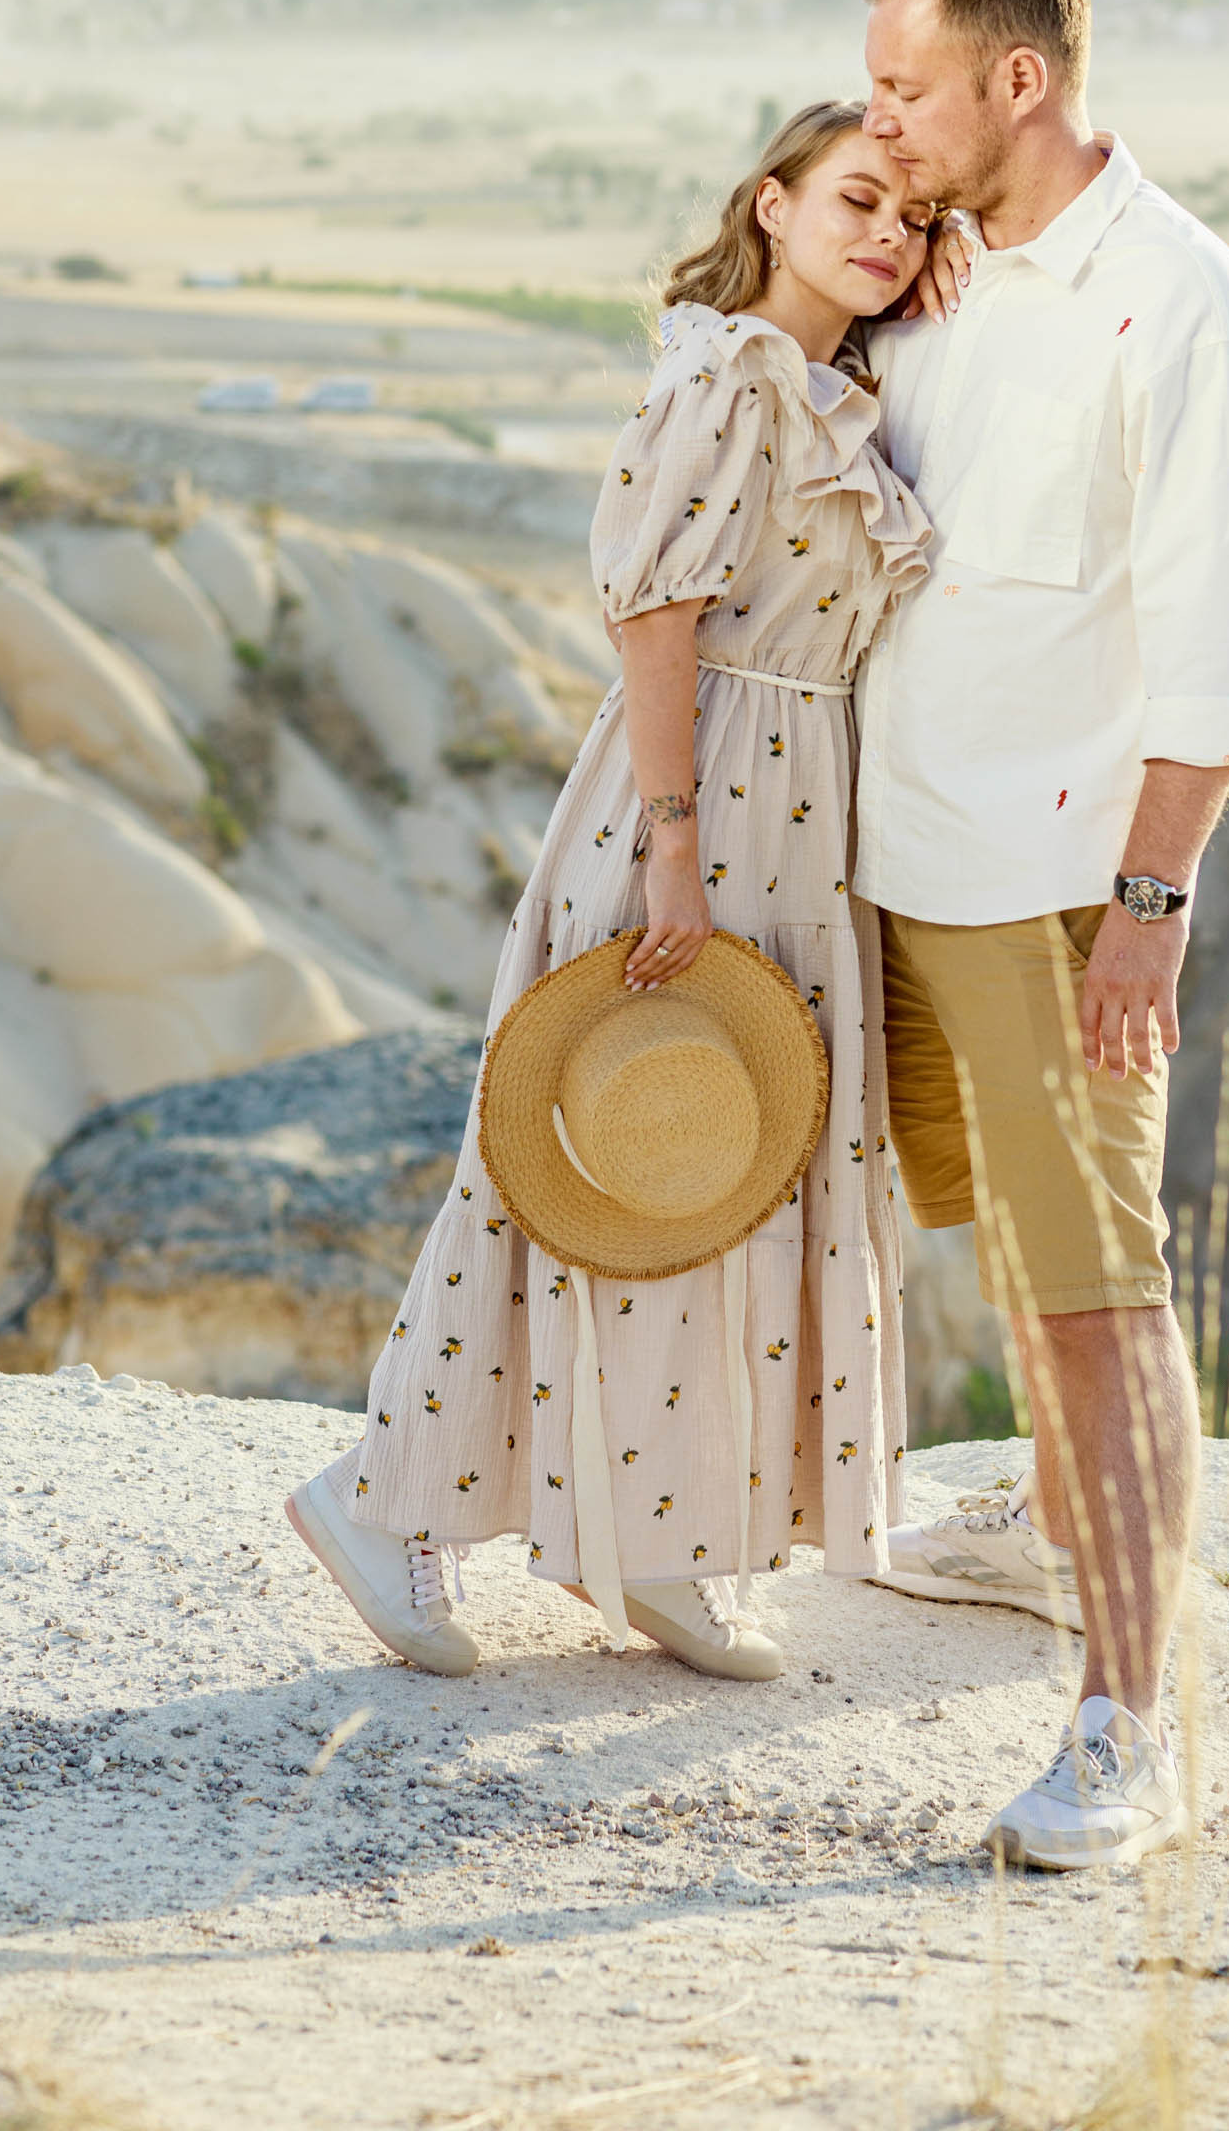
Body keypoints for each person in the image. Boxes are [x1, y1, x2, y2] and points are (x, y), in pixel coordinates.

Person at [284, 101, 938, 1681]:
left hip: (804, 822)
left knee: (727, 1172)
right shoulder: (725, 374)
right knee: (580, 1161)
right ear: (771, 205)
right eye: (856, 199)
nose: (884, 236)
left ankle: (659, 1539)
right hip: (697, 800)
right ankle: (380, 1498)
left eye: (912, 221)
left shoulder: (850, 392)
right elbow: (657, 620)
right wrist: (671, 842)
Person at [854, 0, 1229, 1870]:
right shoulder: (945, 271)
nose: (880, 118)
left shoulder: (1192, 312)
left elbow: (1221, 657)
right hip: (910, 858)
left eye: (907, 86)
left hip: (1056, 885)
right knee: (1009, 1255)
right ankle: (1046, 1524)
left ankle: (1132, 1727)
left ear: (1015, 84)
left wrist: (1151, 903)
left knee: (1103, 1289)